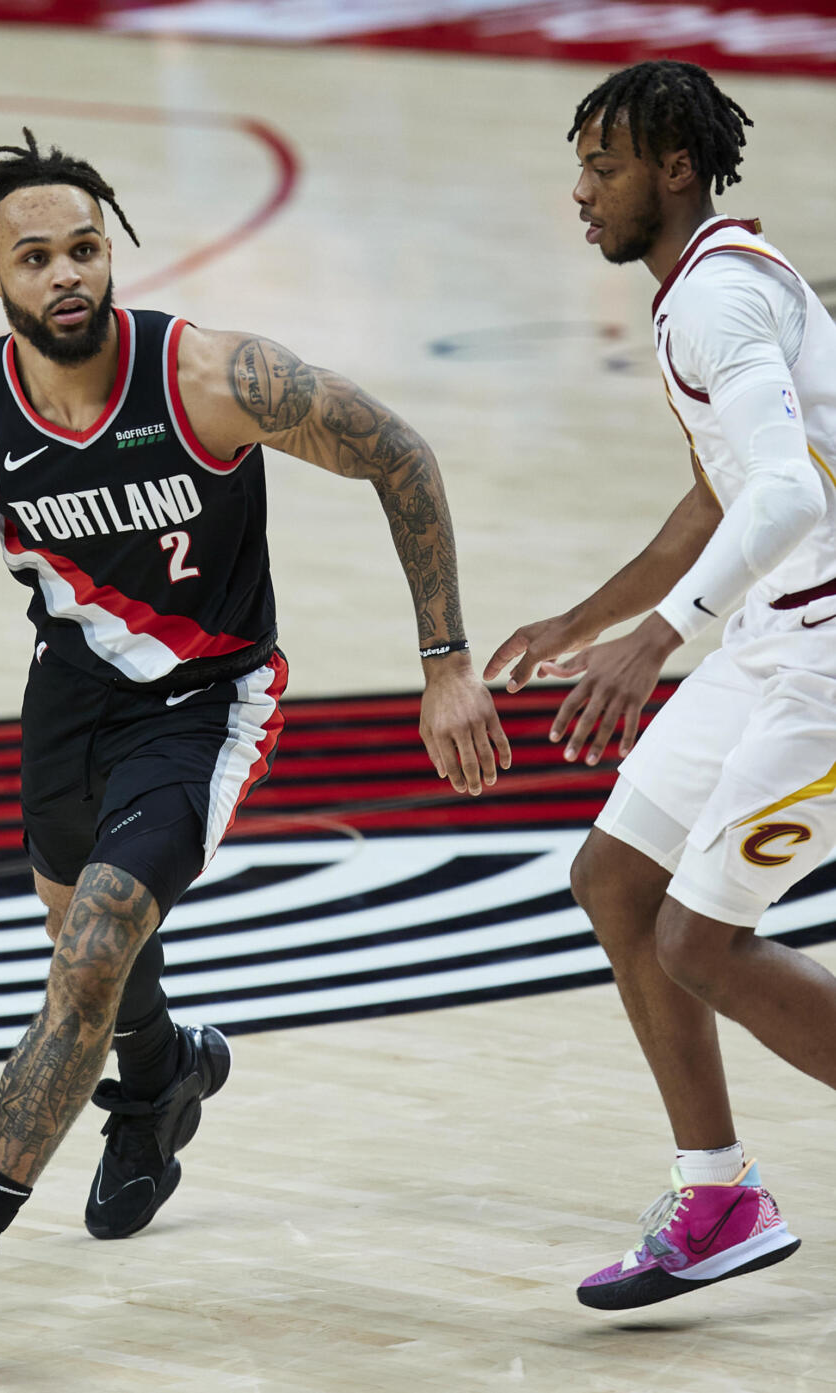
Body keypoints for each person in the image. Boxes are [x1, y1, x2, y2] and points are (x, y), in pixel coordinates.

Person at [0, 130, 510, 1356]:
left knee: (88, 950)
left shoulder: (209, 379)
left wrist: (442, 659)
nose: (67, 275)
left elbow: (397, 452)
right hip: (70, 705)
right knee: (100, 964)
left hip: (209, 701)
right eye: (35, 258)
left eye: (85, 248)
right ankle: (161, 1079)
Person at [487, 60, 836, 1311]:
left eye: (603, 166)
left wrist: (659, 639)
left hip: (827, 660)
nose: (580, 193)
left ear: (672, 170)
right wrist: (590, 618)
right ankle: (718, 1192)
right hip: (773, 637)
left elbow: (789, 496)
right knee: (617, 879)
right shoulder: (707, 285)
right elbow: (721, 492)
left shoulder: (715, 302)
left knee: (701, 938)